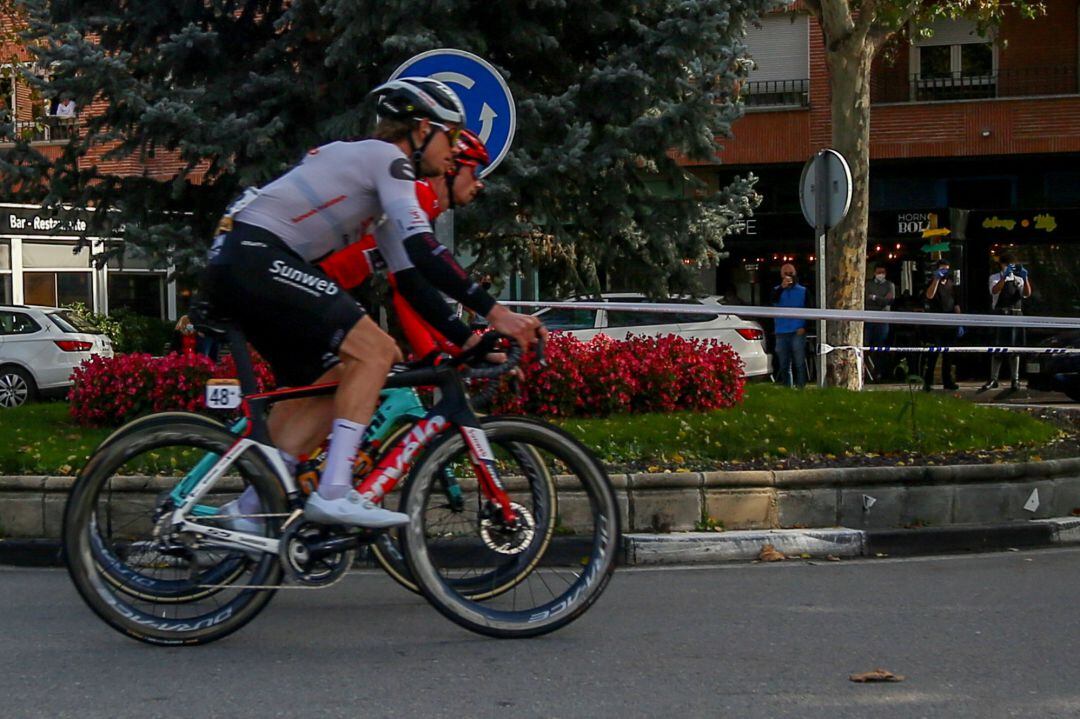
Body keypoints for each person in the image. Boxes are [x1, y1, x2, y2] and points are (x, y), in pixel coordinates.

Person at [204, 78, 544, 530]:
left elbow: (414, 280)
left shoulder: (380, 194)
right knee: (378, 352)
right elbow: (426, 249)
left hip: (245, 263)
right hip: (256, 256)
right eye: (453, 136)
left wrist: (469, 342)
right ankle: (335, 492)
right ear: (423, 128)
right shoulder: (387, 158)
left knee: (335, 382)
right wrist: (497, 313)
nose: (455, 151)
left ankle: (248, 512)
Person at [981, 252, 1033, 391]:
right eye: (1008, 264)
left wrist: (1025, 277)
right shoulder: (994, 278)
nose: (1011, 267)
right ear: (1002, 265)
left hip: (1016, 314)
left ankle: (1015, 379)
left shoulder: (1018, 279)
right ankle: (994, 378)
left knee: (1014, 348)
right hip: (1000, 313)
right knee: (998, 347)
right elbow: (994, 290)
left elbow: (1027, 293)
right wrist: (1004, 276)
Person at [922, 259, 961, 391]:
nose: (944, 272)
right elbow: (929, 295)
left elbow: (956, 303)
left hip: (949, 324)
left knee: (948, 355)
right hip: (936, 324)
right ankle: (927, 382)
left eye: (946, 269)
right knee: (933, 354)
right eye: (942, 269)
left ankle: (947, 381)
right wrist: (936, 280)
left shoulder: (951, 284)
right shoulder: (932, 283)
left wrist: (960, 321)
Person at [771, 263, 808, 388]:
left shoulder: (803, 290)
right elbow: (773, 301)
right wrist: (782, 287)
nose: (788, 276)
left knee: (799, 362)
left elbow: (810, 308)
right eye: (785, 273)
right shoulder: (776, 290)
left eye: (791, 273)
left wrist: (804, 326)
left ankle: (801, 387)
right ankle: (787, 388)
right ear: (781, 275)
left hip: (797, 330)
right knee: (784, 364)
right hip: (781, 331)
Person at [863, 263, 895, 381]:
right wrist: (880, 300)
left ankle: (879, 373)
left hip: (883, 320)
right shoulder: (868, 285)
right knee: (866, 345)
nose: (880, 274)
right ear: (874, 273)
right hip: (869, 319)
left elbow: (888, 301)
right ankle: (866, 373)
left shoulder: (890, 285)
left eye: (882, 272)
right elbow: (866, 299)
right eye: (878, 272)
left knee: (880, 347)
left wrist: (875, 298)